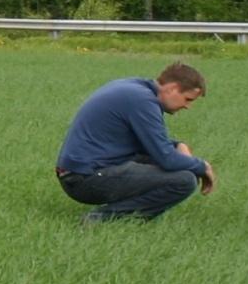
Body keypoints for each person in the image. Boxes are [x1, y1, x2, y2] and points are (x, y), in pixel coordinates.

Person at [55, 62, 216, 223]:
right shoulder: (143, 101)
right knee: (184, 180)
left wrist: (178, 146)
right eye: (187, 99)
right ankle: (101, 219)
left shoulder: (134, 89)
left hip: (77, 172)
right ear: (172, 88)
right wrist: (202, 166)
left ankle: (117, 215)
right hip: (84, 178)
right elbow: (166, 158)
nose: (187, 106)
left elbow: (150, 145)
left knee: (182, 169)